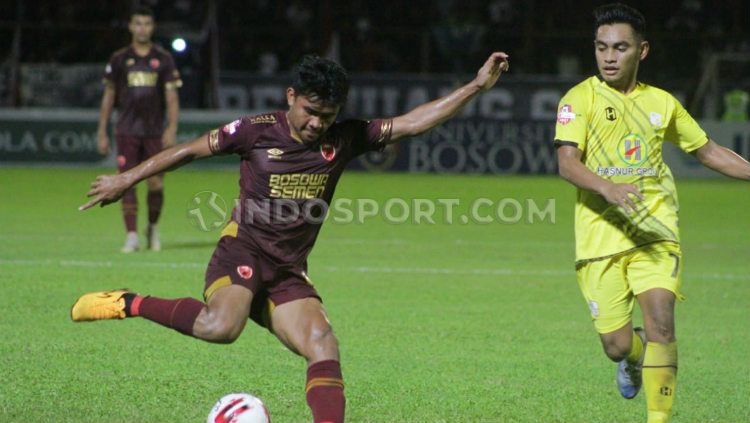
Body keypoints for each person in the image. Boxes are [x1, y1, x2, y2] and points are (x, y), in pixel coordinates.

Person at [72, 52, 510, 423]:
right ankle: (128, 302)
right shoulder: (255, 130)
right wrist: (125, 178)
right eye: (311, 111)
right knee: (221, 327)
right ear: (291, 97)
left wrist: (474, 86)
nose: (318, 123)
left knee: (323, 343)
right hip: (242, 251)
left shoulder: (346, 137)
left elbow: (412, 123)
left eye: (328, 115)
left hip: (287, 270)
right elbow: (188, 150)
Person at [554, 4, 750, 423]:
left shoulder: (662, 103)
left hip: (656, 231)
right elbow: (567, 163)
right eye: (602, 47)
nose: (609, 57)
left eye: (620, 48)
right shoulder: (578, 99)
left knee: (662, 322)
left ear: (641, 51)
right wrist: (607, 187)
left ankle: (658, 419)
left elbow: (709, 151)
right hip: (600, 238)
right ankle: (632, 358)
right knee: (616, 345)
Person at [96, 6, 181, 253]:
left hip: (154, 131)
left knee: (156, 184)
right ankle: (131, 235)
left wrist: (171, 128)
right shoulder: (120, 58)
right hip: (127, 130)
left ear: (152, 28)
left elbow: (172, 97)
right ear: (131, 27)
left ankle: (152, 227)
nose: (142, 28)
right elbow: (109, 95)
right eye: (138, 23)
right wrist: (102, 130)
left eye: (147, 23)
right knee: (126, 182)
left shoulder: (163, 58)